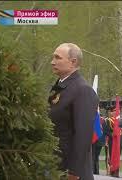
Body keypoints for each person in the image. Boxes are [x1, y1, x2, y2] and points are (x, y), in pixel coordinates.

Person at [48, 43, 99, 180]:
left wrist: (74, 172)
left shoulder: (82, 90)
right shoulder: (60, 87)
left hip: (71, 171)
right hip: (55, 165)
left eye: (58, 58)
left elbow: (83, 135)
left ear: (73, 62)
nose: (53, 62)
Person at [104, 106, 120, 177]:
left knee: (117, 156)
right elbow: (106, 131)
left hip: (118, 141)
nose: (115, 112)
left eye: (117, 111)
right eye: (114, 111)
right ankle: (111, 171)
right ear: (112, 112)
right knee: (111, 155)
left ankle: (117, 171)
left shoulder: (120, 120)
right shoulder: (108, 120)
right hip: (111, 141)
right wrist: (113, 135)